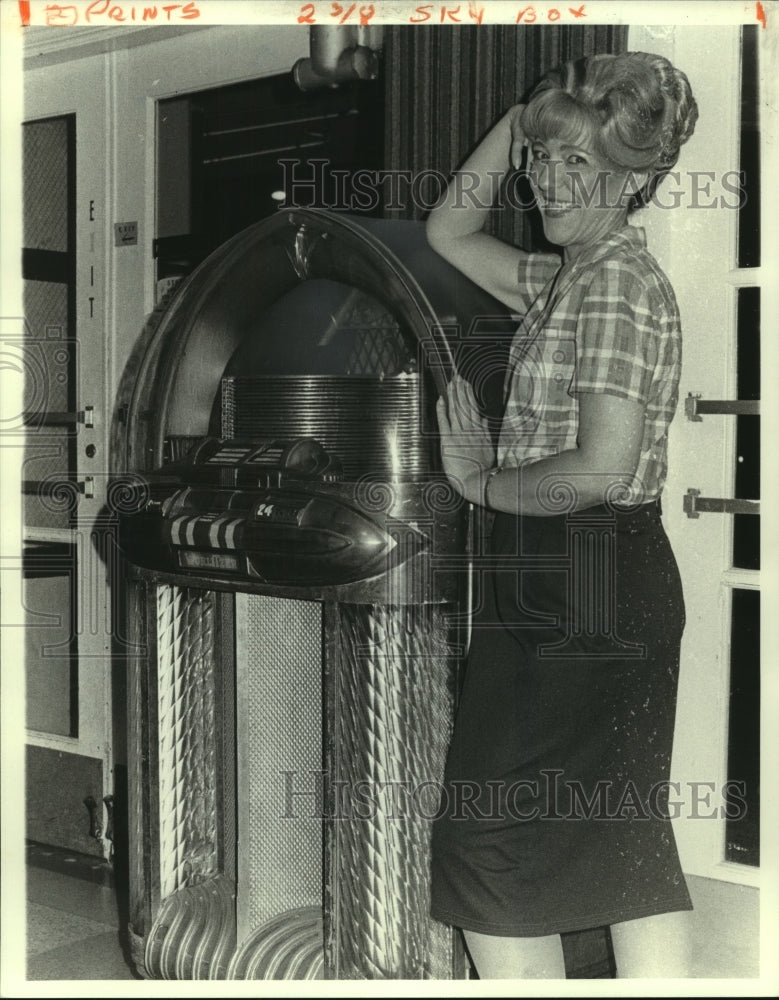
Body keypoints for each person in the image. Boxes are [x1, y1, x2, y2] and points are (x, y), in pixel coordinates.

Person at [426, 52, 699, 979]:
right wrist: (529, 122)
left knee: (488, 840)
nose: (545, 179)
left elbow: (596, 467)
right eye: (543, 159)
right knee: (614, 841)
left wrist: (481, 482)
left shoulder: (613, 282)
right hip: (580, 575)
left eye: (578, 165)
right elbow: (451, 229)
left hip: (584, 568)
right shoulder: (568, 277)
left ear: (635, 177)